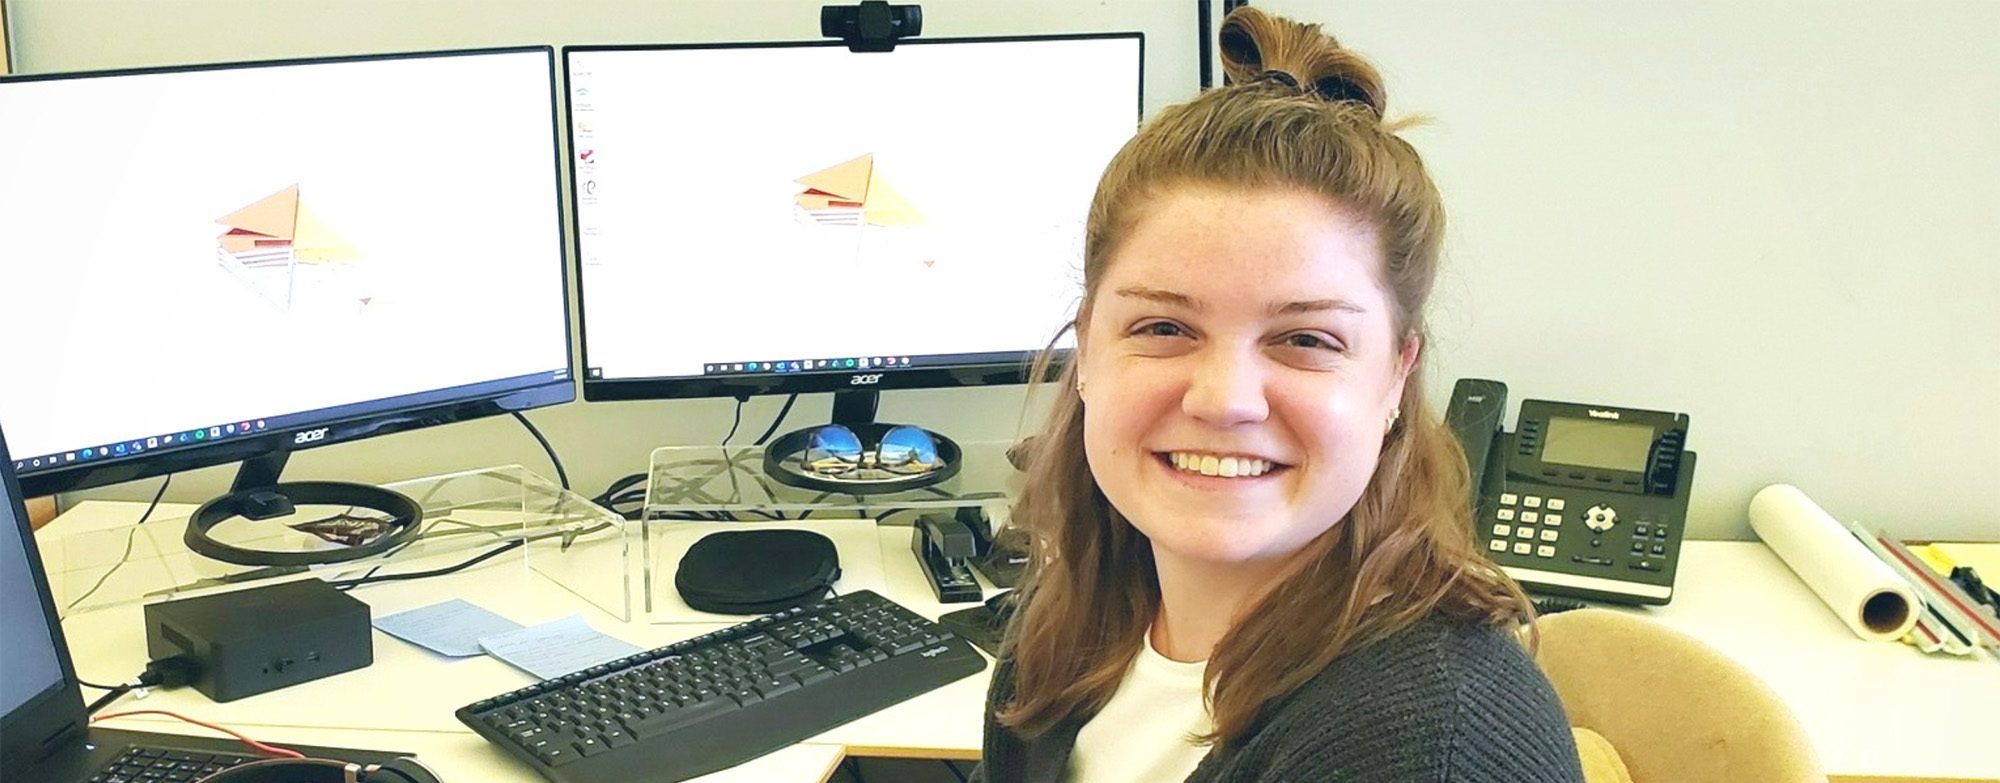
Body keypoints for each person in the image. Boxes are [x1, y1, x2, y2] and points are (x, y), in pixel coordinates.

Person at [972, 8, 1583, 782]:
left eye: (1305, 340)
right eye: (1164, 326)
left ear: (1395, 375)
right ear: (1088, 346)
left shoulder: (1425, 752)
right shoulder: (1077, 618)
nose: (1225, 399)